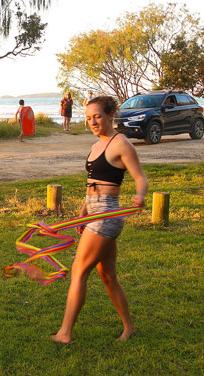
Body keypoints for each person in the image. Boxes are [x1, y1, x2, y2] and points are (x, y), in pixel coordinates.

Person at [51, 95, 148, 345]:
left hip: (107, 214)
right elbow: (91, 184)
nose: (93, 122)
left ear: (110, 115)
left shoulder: (121, 144)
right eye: (88, 118)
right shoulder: (97, 145)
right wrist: (83, 213)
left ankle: (65, 333)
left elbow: (140, 178)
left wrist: (139, 196)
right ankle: (129, 327)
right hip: (93, 212)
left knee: (79, 271)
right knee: (107, 276)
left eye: (97, 117)